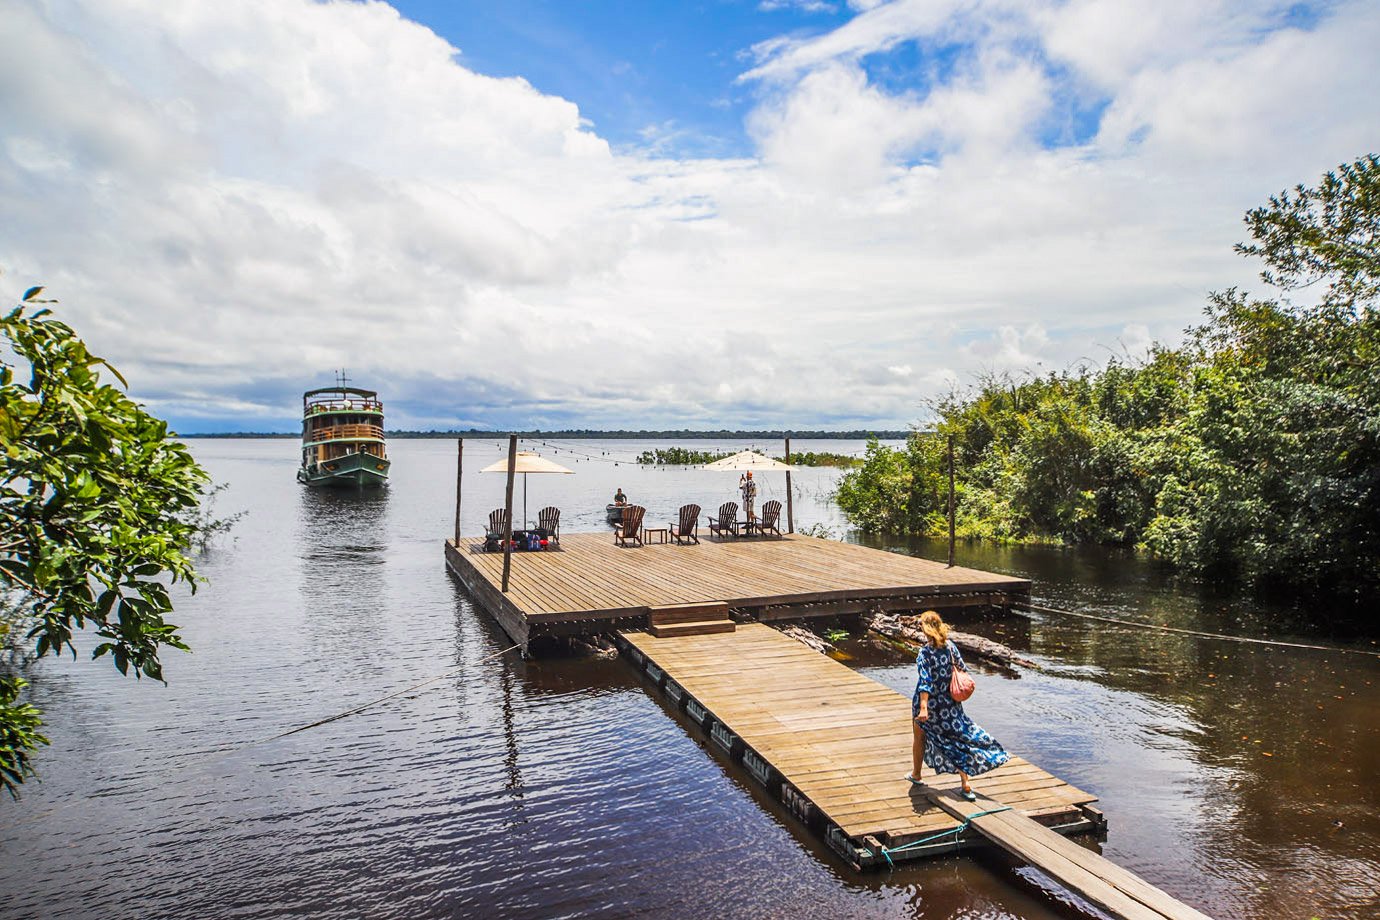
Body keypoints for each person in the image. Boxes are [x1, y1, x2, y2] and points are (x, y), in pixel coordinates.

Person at [908, 610, 1008, 801]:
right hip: (951, 704)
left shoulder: (925, 652)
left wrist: (923, 707)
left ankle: (916, 774)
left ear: (925, 629)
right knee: (957, 739)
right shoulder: (950, 647)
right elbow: (962, 669)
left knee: (919, 737)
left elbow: (925, 681)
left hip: (930, 704)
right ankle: (965, 782)